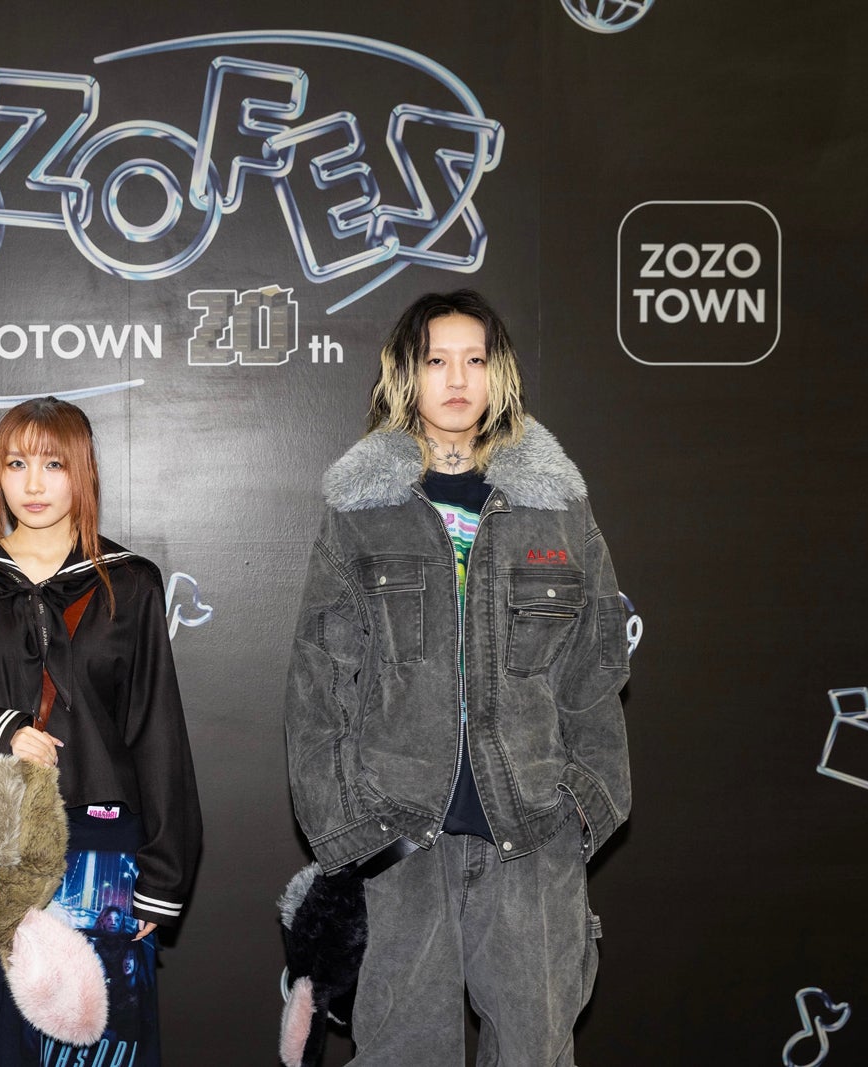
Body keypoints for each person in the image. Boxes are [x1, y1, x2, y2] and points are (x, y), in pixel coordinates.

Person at [283, 290, 631, 1065]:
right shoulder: (361, 513)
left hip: (532, 835)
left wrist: (583, 808)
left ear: (498, 372)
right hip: (400, 838)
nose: (457, 378)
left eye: (474, 359)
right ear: (407, 374)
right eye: (437, 359)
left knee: (536, 1052)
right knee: (400, 1053)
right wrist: (350, 830)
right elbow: (319, 682)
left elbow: (597, 666)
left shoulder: (558, 508)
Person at [0, 396, 202, 1067]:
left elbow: (157, 734)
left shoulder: (129, 584)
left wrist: (163, 876)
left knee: (92, 1048)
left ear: (83, 472)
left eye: (54, 464)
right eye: (16, 463)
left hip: (99, 858)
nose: (33, 483)